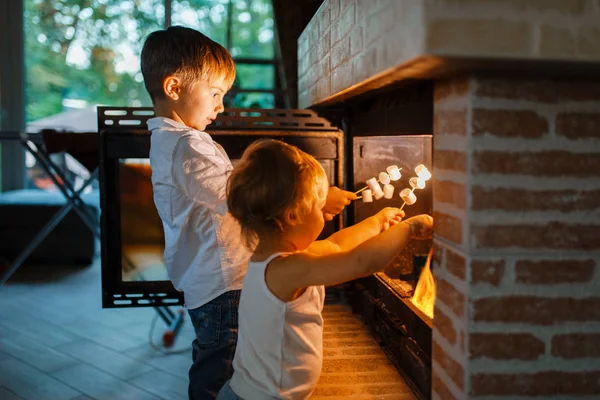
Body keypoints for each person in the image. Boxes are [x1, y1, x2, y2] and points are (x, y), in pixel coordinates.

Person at [139, 26, 356, 400]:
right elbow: (239, 195)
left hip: (209, 283)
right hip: (224, 286)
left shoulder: (172, 142)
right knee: (223, 367)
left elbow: (226, 182)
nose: (221, 106)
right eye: (215, 94)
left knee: (213, 357)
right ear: (174, 88)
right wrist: (313, 200)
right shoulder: (187, 146)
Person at [218, 139, 434, 400]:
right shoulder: (286, 270)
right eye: (320, 209)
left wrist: (377, 223)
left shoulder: (277, 258)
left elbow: (335, 245)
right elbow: (360, 262)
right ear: (293, 216)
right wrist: (407, 230)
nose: (325, 215)